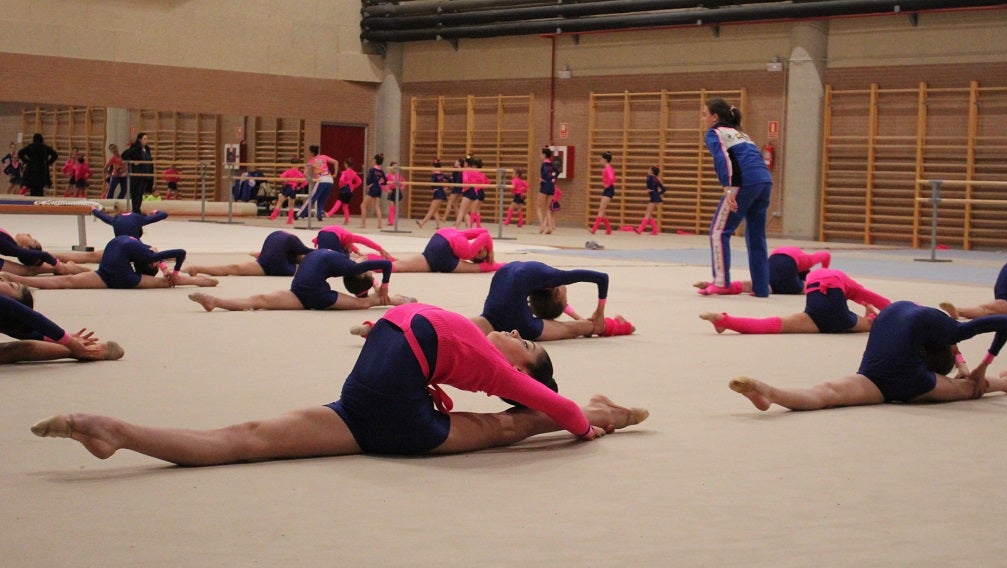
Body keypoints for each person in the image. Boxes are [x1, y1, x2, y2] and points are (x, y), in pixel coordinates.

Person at [31, 302, 649, 465]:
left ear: (517, 366)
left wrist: (580, 420)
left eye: (528, 343)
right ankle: (112, 430)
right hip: (372, 404)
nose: (518, 332)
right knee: (243, 437)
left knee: (506, 424)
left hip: (395, 414)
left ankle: (606, 414)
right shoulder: (473, 335)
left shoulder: (491, 366)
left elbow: (543, 402)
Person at [729, 301, 1007, 412]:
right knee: (969, 388)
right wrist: (982, 367)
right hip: (912, 381)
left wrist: (964, 362)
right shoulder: (946, 329)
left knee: (826, 393)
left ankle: (768, 391)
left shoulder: (904, 311)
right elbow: (1006, 322)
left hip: (872, 375)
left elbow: (951, 350)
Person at [187, 248, 408, 311]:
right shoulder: (346, 263)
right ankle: (215, 301)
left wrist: (382, 284)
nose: (361, 257)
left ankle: (395, 300)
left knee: (362, 303)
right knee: (260, 299)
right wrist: (383, 283)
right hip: (306, 293)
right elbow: (385, 265)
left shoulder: (351, 265)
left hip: (308, 292)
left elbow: (383, 265)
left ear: (361, 273)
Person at [702, 98, 773, 298]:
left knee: (719, 231)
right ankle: (761, 287)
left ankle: (721, 282)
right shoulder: (741, 134)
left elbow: (722, 158)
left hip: (744, 182)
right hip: (764, 182)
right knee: (756, 236)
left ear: (715, 117)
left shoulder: (714, 133)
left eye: (704, 114)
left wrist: (728, 187)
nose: (703, 119)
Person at [471, 260, 634, 341]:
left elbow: (562, 303)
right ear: (557, 293)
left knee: (467, 326)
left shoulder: (537, 279)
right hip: (521, 324)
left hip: (491, 315)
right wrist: (600, 312)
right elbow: (602, 278)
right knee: (573, 329)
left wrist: (578, 316)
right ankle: (618, 326)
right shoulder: (553, 277)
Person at [700, 268, 890, 335]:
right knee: (869, 325)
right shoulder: (845, 280)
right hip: (838, 313)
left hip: (815, 311)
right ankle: (871, 317)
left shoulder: (813, 277)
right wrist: (894, 313)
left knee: (769, 325)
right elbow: (878, 300)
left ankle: (724, 320)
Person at [0, 236, 216, 290]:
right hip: (122, 277)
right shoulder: (147, 255)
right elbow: (181, 252)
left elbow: (160, 256)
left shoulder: (139, 246)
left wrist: (163, 265)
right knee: (165, 283)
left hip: (104, 272)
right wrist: (175, 272)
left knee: (66, 281)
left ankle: (14, 278)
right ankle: (201, 283)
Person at [0, 283, 124, 364]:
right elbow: (25, 315)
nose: (2, 278)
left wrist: (63, 339)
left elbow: (26, 329)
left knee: (20, 349)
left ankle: (86, 351)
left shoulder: (8, 313)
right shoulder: (8, 306)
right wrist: (69, 341)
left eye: (10, 285)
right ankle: (81, 351)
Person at [694, 247, 832, 295]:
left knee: (750, 284)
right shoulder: (806, 260)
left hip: (771, 264)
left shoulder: (794, 254)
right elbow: (826, 255)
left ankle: (714, 287)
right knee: (808, 288)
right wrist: (824, 272)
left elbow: (825, 255)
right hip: (788, 270)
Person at [185, 231, 313, 277]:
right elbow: (308, 251)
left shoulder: (283, 238)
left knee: (232, 268)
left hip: (265, 263)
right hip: (281, 267)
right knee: (233, 269)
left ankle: (199, 268)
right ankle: (198, 268)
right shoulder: (293, 243)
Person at [379, 227, 502, 274]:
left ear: (475, 259)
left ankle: (369, 262)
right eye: (481, 247)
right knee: (473, 269)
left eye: (480, 252)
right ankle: (370, 263)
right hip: (443, 249)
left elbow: (484, 233)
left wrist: (490, 251)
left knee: (399, 266)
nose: (479, 247)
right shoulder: (466, 250)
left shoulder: (462, 237)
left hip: (439, 239)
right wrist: (491, 251)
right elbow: (485, 234)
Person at [0, 229, 85, 276]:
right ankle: (68, 268)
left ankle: (66, 269)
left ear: (26, 248)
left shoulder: (10, 247)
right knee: (28, 270)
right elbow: (43, 255)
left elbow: (44, 255)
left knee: (27, 271)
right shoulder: (11, 245)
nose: (29, 235)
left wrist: (57, 264)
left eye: (33, 240)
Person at [297, 145, 338, 221]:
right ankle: (319, 215)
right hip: (330, 180)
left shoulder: (311, 161)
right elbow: (336, 162)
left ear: (312, 153)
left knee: (312, 198)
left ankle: (300, 214)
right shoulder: (324, 157)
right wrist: (335, 174)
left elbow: (305, 173)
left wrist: (310, 178)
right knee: (322, 199)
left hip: (321, 180)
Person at [17, 133, 58, 198]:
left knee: (33, 189)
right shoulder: (45, 147)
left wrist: (27, 161)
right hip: (41, 170)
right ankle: (39, 205)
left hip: (31, 169)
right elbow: (55, 155)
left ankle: (32, 205)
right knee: (40, 189)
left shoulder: (30, 146)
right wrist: (48, 163)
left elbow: (20, 153)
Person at [121, 133, 153, 213]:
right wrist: (132, 162)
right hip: (137, 173)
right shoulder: (135, 148)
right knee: (136, 193)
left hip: (146, 173)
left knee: (140, 193)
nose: (146, 140)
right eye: (144, 139)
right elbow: (124, 155)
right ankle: (135, 210)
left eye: (147, 139)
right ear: (139, 139)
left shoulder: (147, 149)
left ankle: (137, 209)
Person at [326, 158, 362, 225]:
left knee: (338, 202)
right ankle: (347, 220)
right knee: (345, 205)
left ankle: (330, 213)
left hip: (344, 189)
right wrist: (353, 186)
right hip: (350, 191)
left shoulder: (344, 172)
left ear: (346, 165)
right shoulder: (354, 173)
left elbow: (341, 180)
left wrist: (342, 184)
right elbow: (359, 181)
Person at [417, 159, 448, 229]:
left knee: (431, 210)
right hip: (440, 193)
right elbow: (450, 179)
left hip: (438, 193)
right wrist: (446, 187)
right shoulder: (441, 175)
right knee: (435, 210)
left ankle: (422, 223)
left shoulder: (434, 175)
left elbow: (432, 184)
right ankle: (439, 225)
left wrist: (444, 187)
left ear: (434, 167)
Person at [591, 152, 617, 235]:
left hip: (609, 189)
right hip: (607, 190)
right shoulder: (607, 168)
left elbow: (612, 178)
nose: (600, 160)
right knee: (603, 210)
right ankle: (609, 229)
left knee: (601, 210)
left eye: (601, 158)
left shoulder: (608, 168)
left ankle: (594, 229)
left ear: (605, 159)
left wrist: (607, 185)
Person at [635, 166, 665, 235]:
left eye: (649, 169)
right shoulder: (656, 179)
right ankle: (655, 230)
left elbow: (648, 182)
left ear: (652, 171)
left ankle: (640, 229)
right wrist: (657, 193)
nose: (648, 171)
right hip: (655, 197)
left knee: (647, 214)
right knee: (649, 214)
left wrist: (650, 190)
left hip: (654, 197)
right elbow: (664, 189)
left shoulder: (650, 177)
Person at [536, 148, 559, 234]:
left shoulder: (544, 164)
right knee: (548, 208)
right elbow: (556, 172)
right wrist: (553, 179)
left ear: (544, 155)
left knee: (538, 207)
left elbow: (544, 174)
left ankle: (542, 225)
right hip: (551, 187)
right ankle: (549, 227)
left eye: (541, 154)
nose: (540, 156)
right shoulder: (552, 164)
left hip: (545, 186)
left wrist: (542, 179)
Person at [361, 154, 386, 229]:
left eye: (373, 159)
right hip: (379, 188)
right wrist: (380, 183)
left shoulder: (372, 170)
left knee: (363, 205)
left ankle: (363, 224)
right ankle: (380, 224)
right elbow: (385, 180)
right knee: (377, 206)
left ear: (375, 160)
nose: (372, 161)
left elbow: (368, 179)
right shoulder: (381, 171)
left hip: (373, 188)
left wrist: (368, 185)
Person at [385, 161, 406, 226]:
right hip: (391, 191)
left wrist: (402, 188)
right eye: (394, 167)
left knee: (395, 207)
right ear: (391, 168)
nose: (395, 169)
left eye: (396, 168)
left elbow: (404, 182)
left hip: (397, 191)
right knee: (391, 205)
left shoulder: (399, 176)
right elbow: (382, 183)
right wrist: (387, 190)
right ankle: (391, 221)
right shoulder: (387, 176)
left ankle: (390, 219)